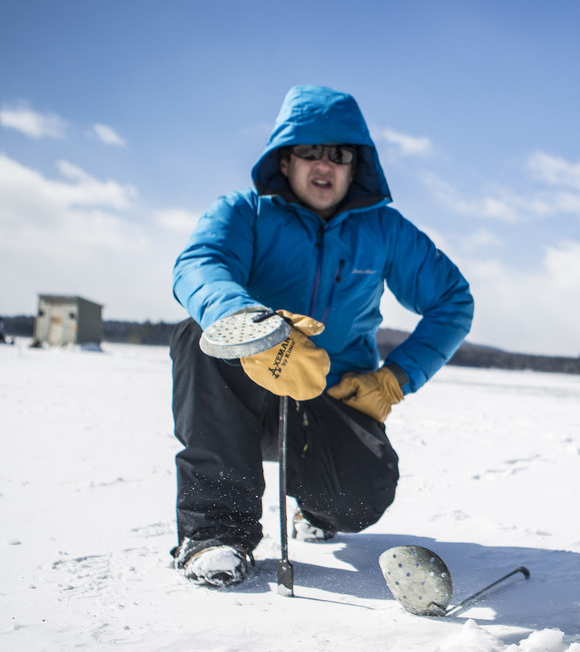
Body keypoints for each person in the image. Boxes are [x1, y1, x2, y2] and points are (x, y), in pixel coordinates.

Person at [170, 85, 474, 588]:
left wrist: (395, 378)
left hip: (332, 393)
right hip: (249, 385)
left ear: (356, 165)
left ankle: (319, 510)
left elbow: (453, 300)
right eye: (308, 151)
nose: (323, 165)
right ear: (284, 160)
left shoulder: (385, 230)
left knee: (360, 498)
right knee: (197, 335)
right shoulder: (245, 212)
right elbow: (198, 266)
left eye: (338, 154)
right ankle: (215, 534)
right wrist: (255, 328)